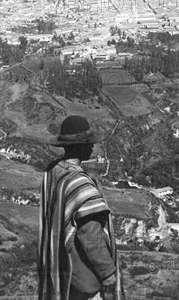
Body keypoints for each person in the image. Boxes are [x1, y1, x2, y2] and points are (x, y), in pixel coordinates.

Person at [38, 115, 125, 300]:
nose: (92, 147)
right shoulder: (80, 183)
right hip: (85, 278)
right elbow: (89, 234)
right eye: (88, 143)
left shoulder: (53, 172)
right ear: (79, 146)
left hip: (63, 272)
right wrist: (107, 271)